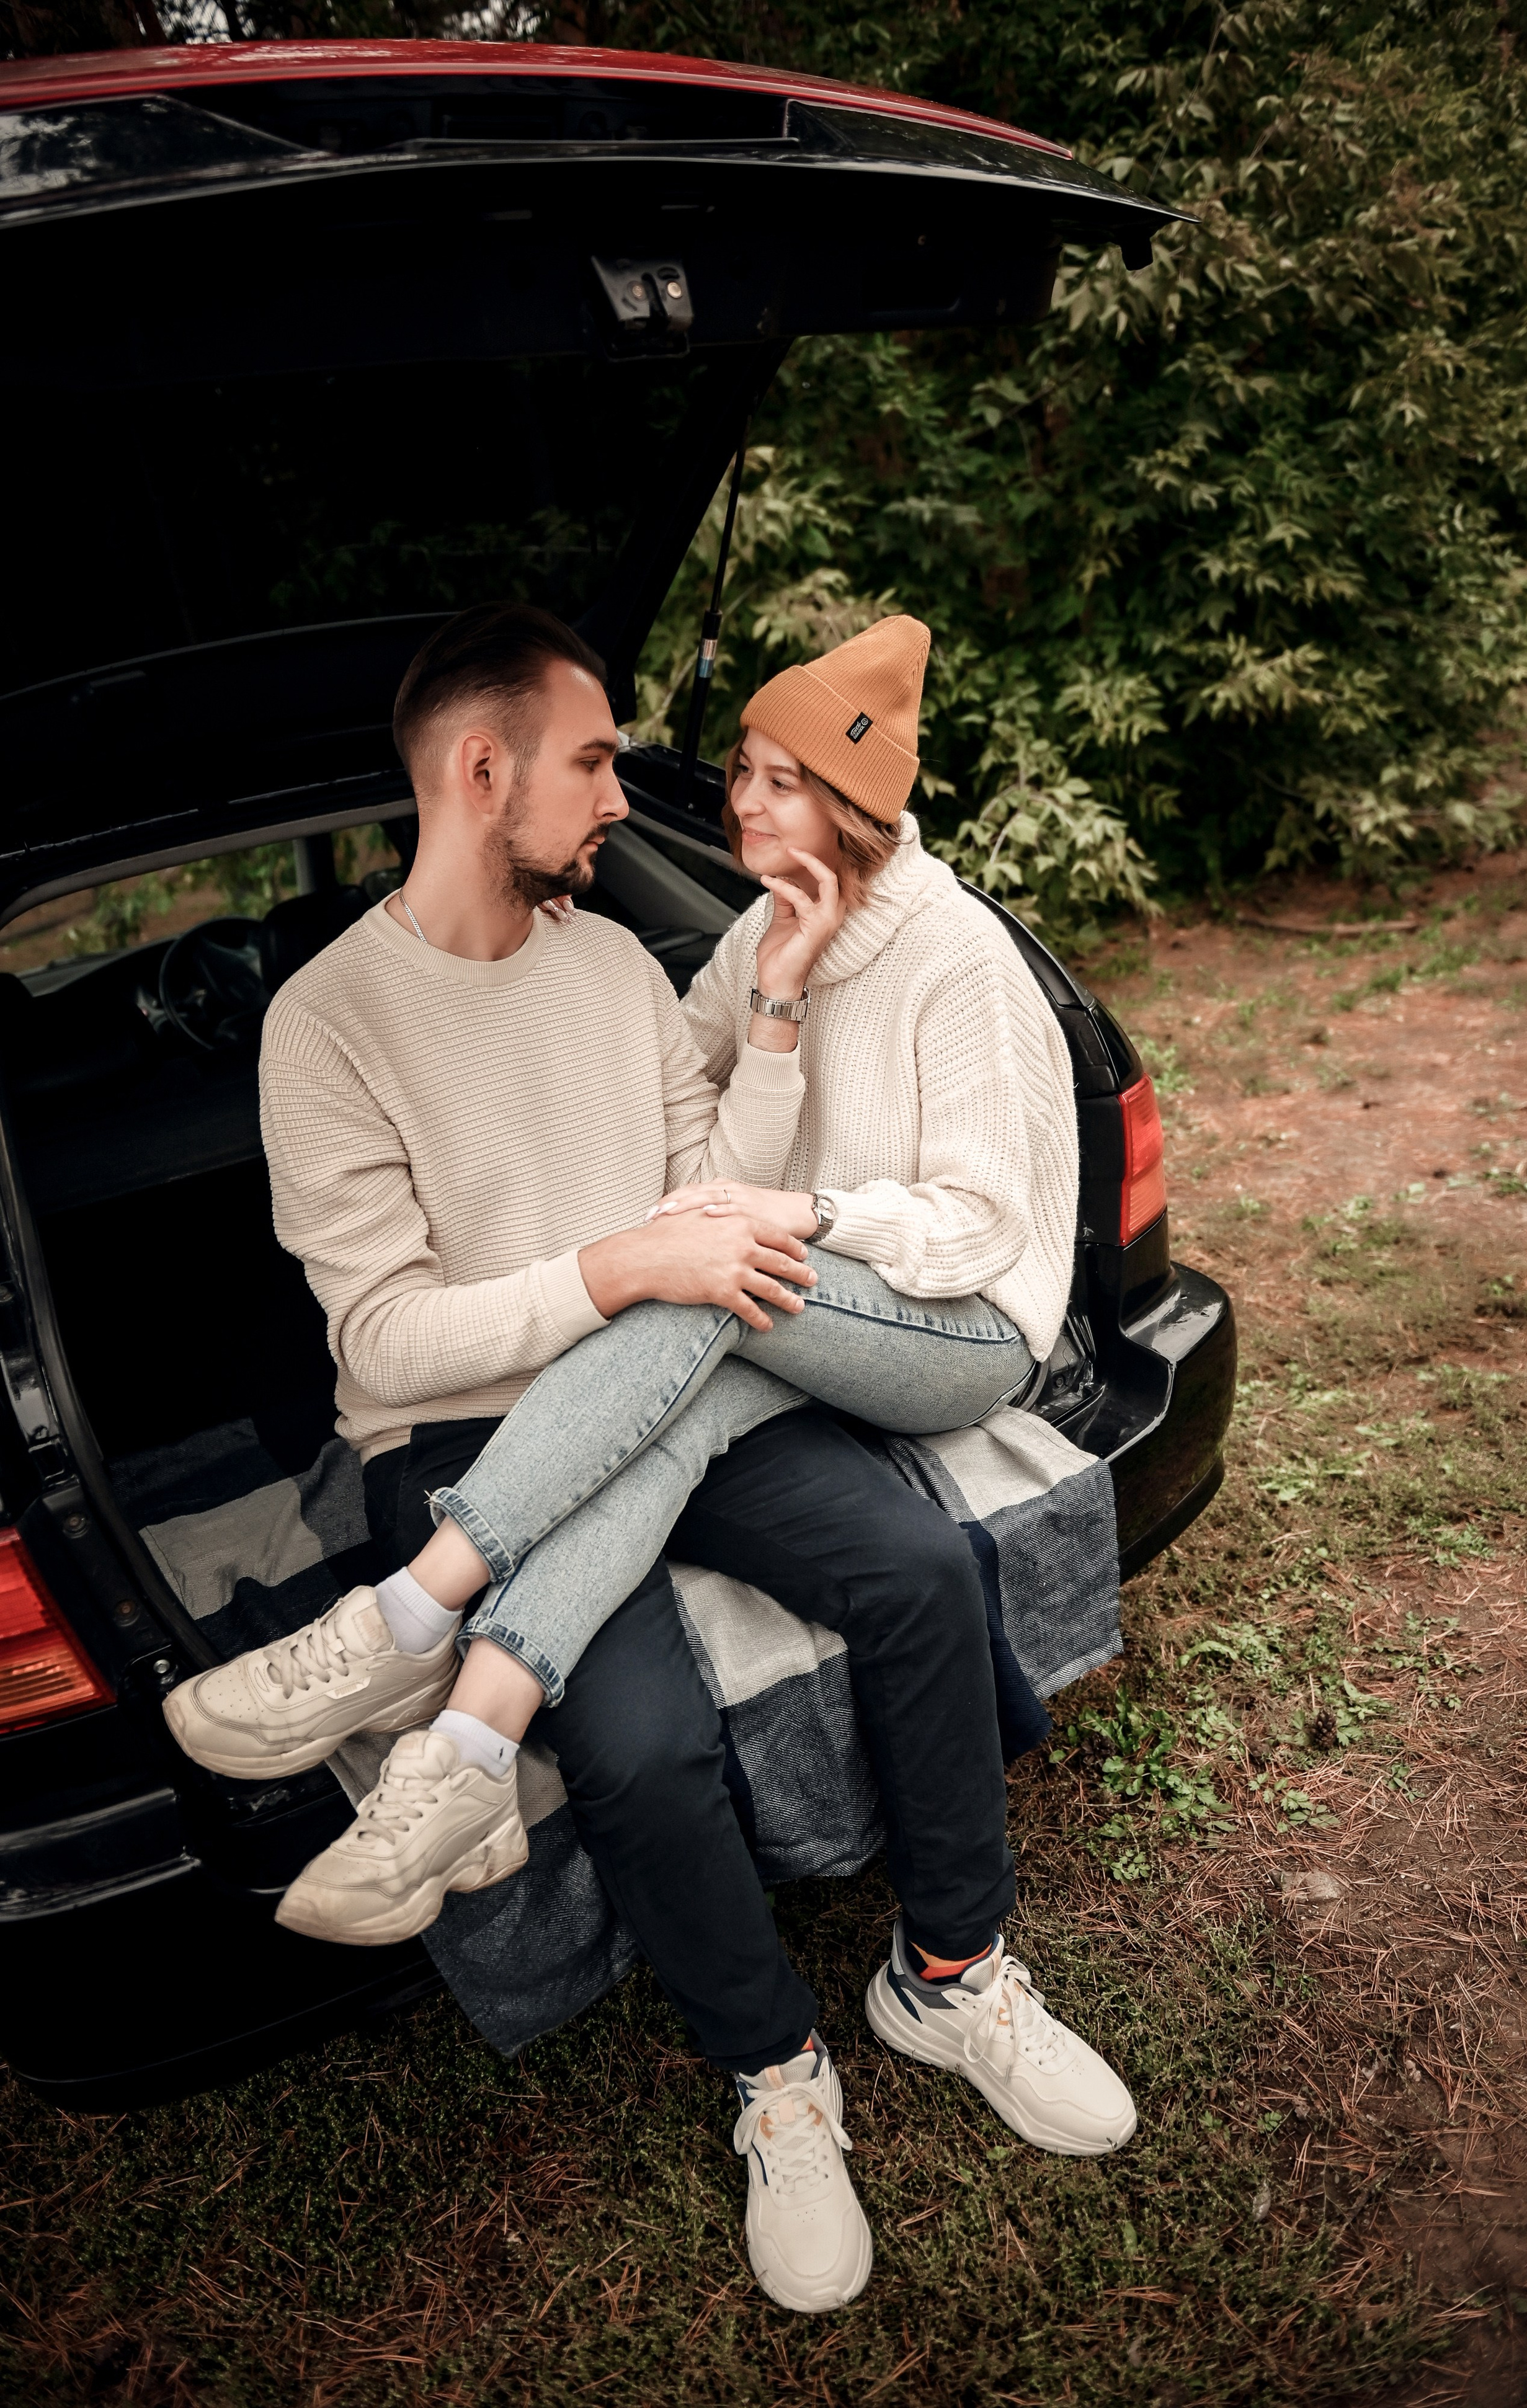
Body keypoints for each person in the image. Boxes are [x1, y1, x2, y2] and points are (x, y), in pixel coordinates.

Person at [163, 602, 1136, 2317]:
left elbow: (710, 1199)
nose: (630, 795)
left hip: (683, 1365)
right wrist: (621, 1274)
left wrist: (765, 1021)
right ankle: (776, 2071)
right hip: (475, 1431)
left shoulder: (618, 963)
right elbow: (382, 1343)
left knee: (919, 1573)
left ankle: (956, 1967)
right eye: (601, 758)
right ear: (485, 771)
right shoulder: (322, 1023)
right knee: (639, 1733)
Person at [262, 613, 1080, 1908]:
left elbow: (974, 1230)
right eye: (740, 767)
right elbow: (699, 1158)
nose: (723, 802)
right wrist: (766, 1019)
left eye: (775, 778)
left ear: (853, 809)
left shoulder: (953, 955)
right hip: (775, 1316)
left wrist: (790, 1215)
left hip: (958, 1317)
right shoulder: (754, 938)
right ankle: (471, 1741)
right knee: (685, 1337)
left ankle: (416, 1614)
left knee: (697, 1291)